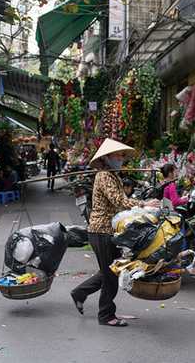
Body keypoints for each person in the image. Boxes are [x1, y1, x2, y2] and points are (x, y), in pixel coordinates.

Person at [71, 139, 159, 327]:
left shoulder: (113, 176)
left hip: (111, 231)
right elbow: (118, 200)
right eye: (118, 155)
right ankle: (105, 315)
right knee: (111, 274)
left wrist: (141, 206)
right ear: (107, 157)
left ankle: (79, 292)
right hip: (101, 231)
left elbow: (123, 201)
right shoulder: (104, 176)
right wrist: (143, 205)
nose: (121, 159)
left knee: (111, 270)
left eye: (121, 156)